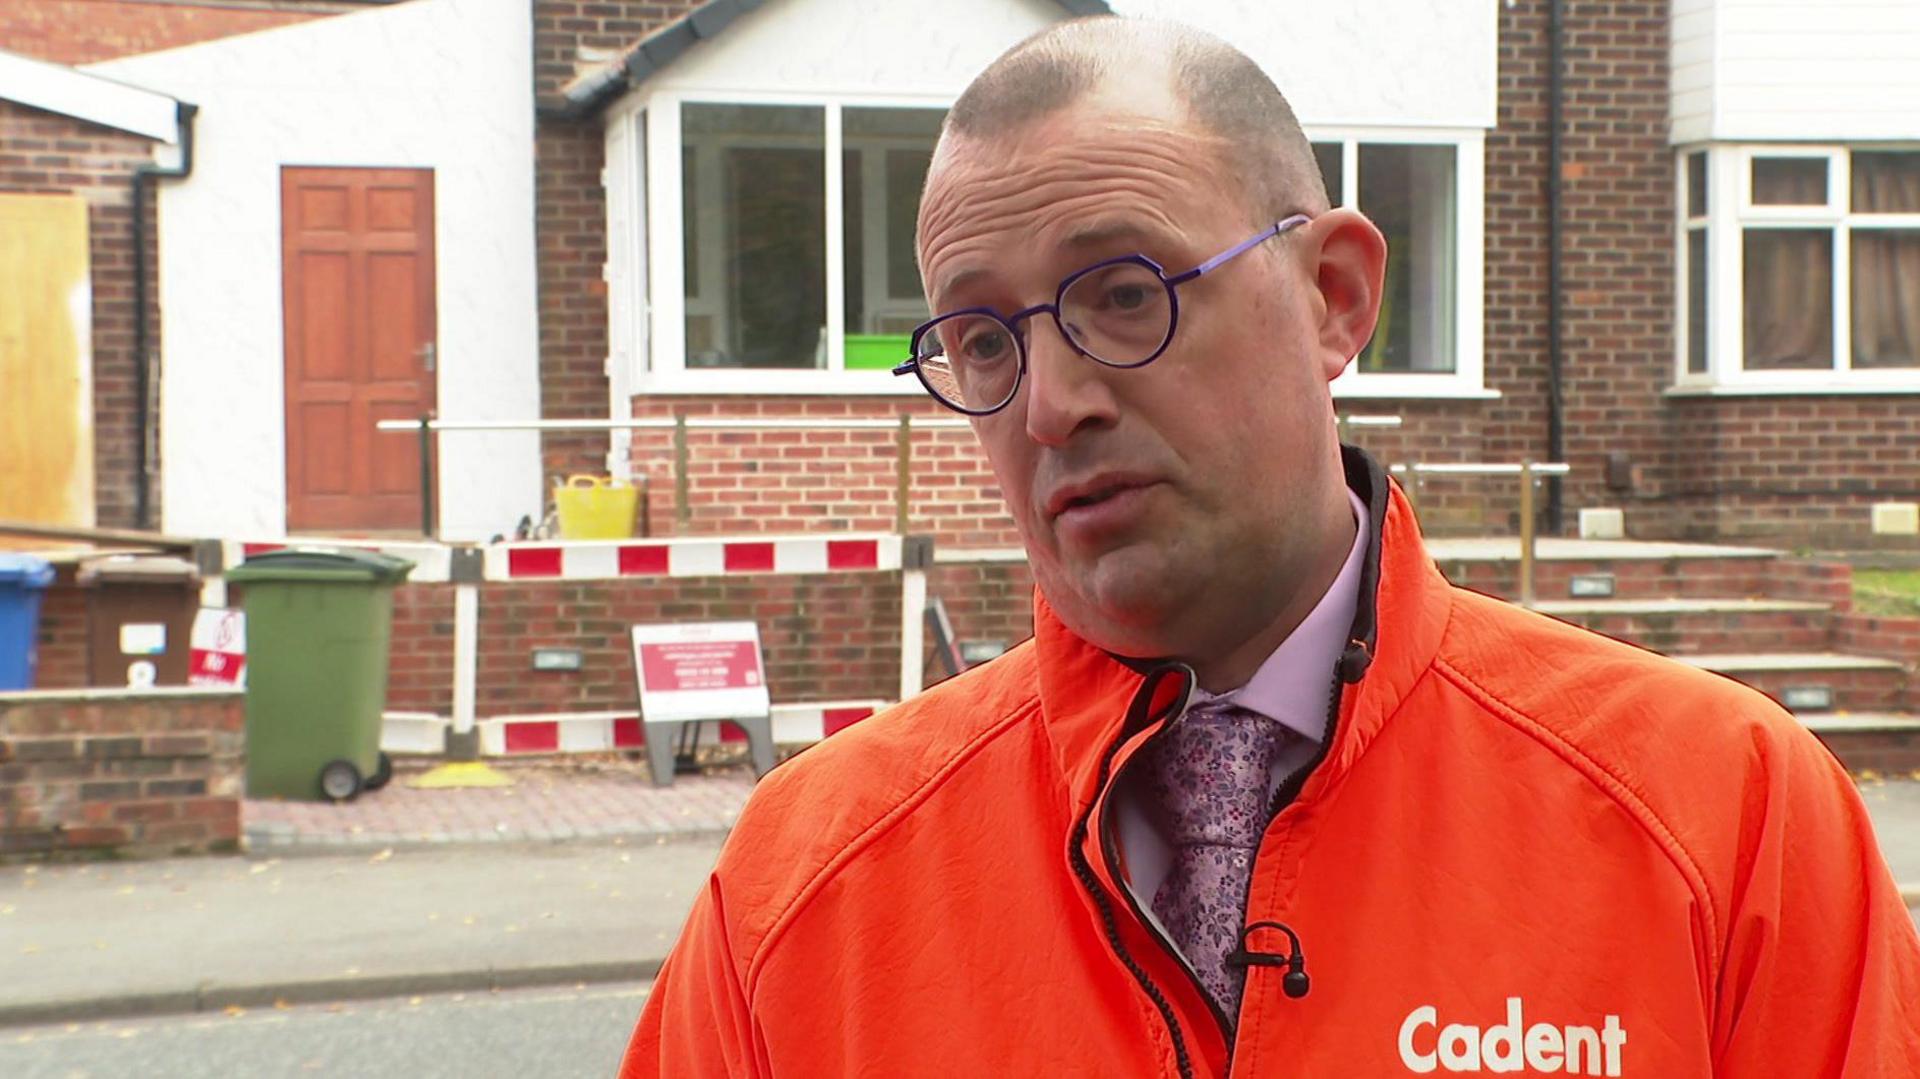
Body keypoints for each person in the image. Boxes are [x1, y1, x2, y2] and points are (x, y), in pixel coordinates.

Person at [623, 17, 1920, 1077]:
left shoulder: (1726, 817)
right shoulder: (801, 886)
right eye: (983, 342)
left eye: (1125, 295)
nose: (1047, 401)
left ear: (1335, 298)